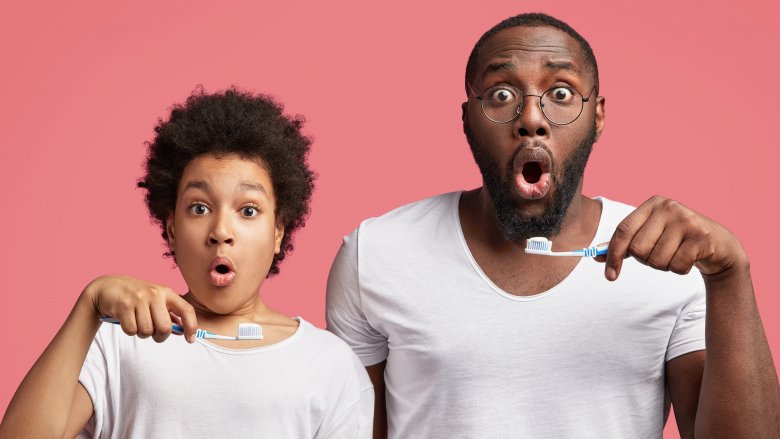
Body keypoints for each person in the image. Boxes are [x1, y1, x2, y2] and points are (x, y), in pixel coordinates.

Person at [325, 13, 780, 438]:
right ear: (466, 120)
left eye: (561, 93)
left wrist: (729, 277)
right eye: (501, 94)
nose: (531, 119)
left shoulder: (668, 259)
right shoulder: (377, 254)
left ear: (597, 116)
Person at [0, 88, 373, 438]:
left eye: (247, 210)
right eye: (199, 208)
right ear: (172, 228)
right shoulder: (114, 342)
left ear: (277, 231)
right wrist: (89, 304)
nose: (221, 231)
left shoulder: (329, 365)